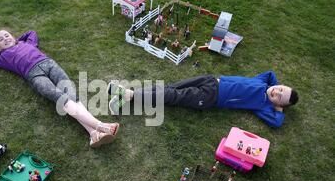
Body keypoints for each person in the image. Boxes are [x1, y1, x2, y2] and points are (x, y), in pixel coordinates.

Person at [0, 29, 119, 147]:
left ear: (13, 36)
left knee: (71, 94)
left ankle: (93, 134)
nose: (5, 38)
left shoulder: (27, 43)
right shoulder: (3, 58)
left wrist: (17, 41)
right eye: (1, 39)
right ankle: (100, 125)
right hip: (34, 75)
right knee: (61, 98)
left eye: (7, 35)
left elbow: (31, 32)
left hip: (49, 64)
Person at [108, 71, 298, 128]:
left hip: (209, 98)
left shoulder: (262, 104)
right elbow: (271, 74)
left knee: (172, 96)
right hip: (210, 80)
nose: (277, 92)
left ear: (279, 104)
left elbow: (276, 122)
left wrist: (279, 109)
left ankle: (128, 94)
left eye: (280, 98)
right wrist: (279, 90)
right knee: (170, 88)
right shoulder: (264, 83)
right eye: (280, 89)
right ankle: (126, 98)